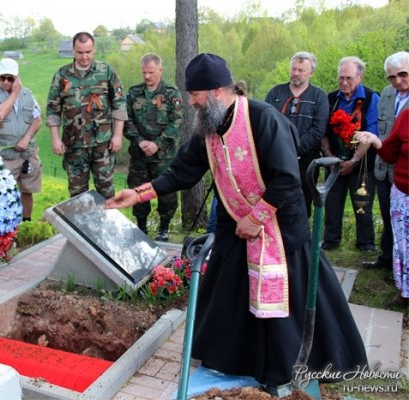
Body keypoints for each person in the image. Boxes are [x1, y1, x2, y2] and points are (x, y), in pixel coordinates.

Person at [105, 53, 367, 394]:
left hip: (279, 227)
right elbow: (184, 170)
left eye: (195, 94)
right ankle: (235, 360)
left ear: (215, 91)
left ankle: (284, 367)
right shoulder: (209, 125)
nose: (190, 101)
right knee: (229, 292)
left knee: (283, 304)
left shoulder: (263, 118)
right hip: (234, 227)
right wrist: (140, 194)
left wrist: (256, 218)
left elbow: (287, 179)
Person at [46, 31, 127, 199]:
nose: (84, 56)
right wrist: (55, 138)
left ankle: (106, 225)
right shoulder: (62, 75)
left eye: (88, 52)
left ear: (94, 50)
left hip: (102, 144)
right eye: (80, 52)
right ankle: (81, 225)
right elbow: (53, 109)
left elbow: (119, 104)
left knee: (106, 190)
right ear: (73, 51)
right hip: (74, 145)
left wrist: (118, 135)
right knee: (77, 194)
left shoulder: (106, 72)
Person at [320, 56, 380, 252]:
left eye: (349, 78)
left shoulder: (371, 98)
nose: (344, 82)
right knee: (332, 202)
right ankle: (330, 240)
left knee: (362, 203)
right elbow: (324, 132)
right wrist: (329, 155)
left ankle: (366, 243)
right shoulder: (330, 99)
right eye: (341, 78)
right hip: (334, 160)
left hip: (361, 162)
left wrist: (354, 160)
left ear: (360, 77)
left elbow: (371, 133)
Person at [125, 53, 182, 241]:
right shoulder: (133, 93)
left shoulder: (171, 94)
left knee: (166, 193)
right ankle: (141, 227)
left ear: (160, 70)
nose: (147, 76)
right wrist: (140, 141)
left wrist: (157, 144)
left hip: (163, 156)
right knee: (140, 192)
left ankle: (163, 229)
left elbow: (176, 122)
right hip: (139, 155)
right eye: (144, 73)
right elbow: (126, 121)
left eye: (151, 72)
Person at [355, 108, 409, 308]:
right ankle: (404, 292)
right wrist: (375, 141)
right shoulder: (405, 116)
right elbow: (389, 155)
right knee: (403, 247)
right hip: (403, 193)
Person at [265, 51, 329, 217]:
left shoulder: (319, 96)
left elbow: (318, 129)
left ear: (311, 73)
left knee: (302, 202)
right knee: (274, 200)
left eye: (301, 70)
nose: (296, 73)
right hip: (275, 158)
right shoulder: (275, 93)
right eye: (294, 69)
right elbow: (265, 123)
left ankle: (300, 240)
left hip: (306, 161)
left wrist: (294, 149)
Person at [363, 51, 409, 271]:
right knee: (388, 216)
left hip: (405, 172)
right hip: (385, 167)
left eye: (403, 74)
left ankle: (402, 268)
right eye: (392, 77)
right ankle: (387, 259)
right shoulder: (387, 95)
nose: (398, 81)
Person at [0, 58, 42, 222]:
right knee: (3, 193)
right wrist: (15, 93)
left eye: (11, 78)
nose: (6, 82)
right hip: (4, 154)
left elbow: (37, 119)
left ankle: (26, 224)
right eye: (3, 78)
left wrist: (27, 137)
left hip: (27, 153)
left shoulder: (27, 93)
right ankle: (6, 228)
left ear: (17, 77)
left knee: (27, 191)